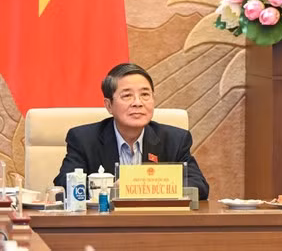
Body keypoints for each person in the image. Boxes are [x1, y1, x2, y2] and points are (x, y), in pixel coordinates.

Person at [54, 63, 209, 200]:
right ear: (109, 105)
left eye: (145, 95)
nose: (138, 103)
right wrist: (109, 190)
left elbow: (199, 186)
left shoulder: (175, 139)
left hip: (155, 221)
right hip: (105, 222)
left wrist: (137, 186)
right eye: (127, 95)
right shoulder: (84, 139)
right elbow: (64, 186)